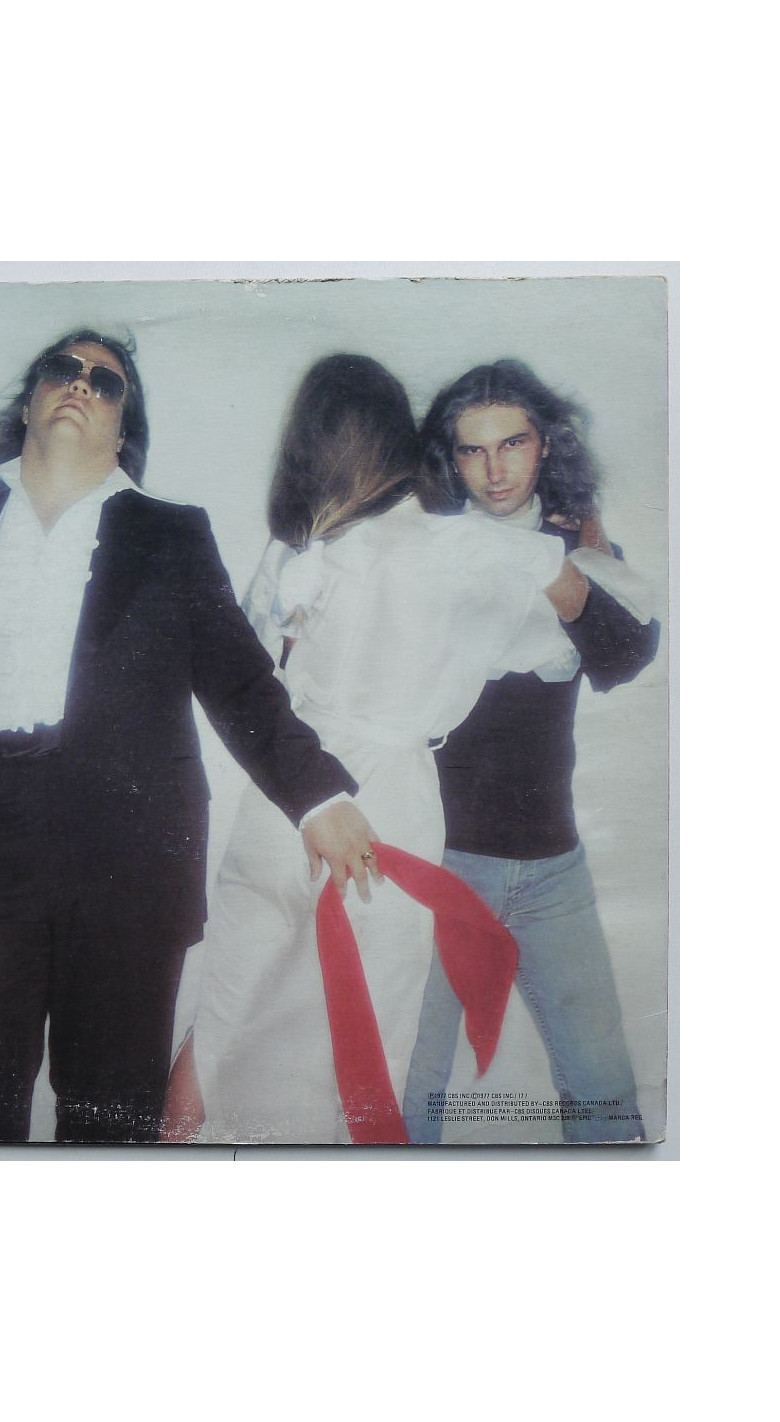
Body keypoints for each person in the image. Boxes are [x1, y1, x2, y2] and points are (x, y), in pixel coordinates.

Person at [0, 328, 379, 1145]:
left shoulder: (171, 533)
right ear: (30, 400)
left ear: (122, 425)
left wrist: (318, 795)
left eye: (107, 383)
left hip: (128, 844)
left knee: (112, 1114)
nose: (81, 384)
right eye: (64, 369)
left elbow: (240, 679)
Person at [164, 354, 601, 1146]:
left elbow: (254, 671)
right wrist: (579, 542)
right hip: (390, 805)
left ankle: (164, 1158)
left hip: (289, 796)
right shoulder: (468, 549)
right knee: (371, 1036)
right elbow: (581, 638)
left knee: (221, 1014)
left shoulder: (296, 552)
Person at [402, 359, 660, 1145]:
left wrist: (556, 561)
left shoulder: (575, 542)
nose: (494, 469)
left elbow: (625, 655)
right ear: (451, 459)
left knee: (606, 1097)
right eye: (473, 450)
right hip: (438, 864)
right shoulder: (426, 547)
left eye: (512, 443)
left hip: (554, 870)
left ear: (545, 443)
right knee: (411, 1095)